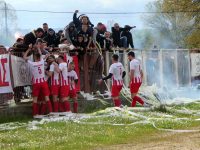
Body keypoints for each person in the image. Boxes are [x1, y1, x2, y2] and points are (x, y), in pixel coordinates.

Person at [23, 44, 52, 116]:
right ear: (39, 57)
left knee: (35, 99)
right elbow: (40, 54)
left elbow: (24, 57)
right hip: (43, 82)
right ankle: (51, 112)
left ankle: (35, 114)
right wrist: (39, 48)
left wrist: (29, 49)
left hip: (36, 83)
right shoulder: (42, 62)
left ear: (34, 57)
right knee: (47, 98)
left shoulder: (32, 63)